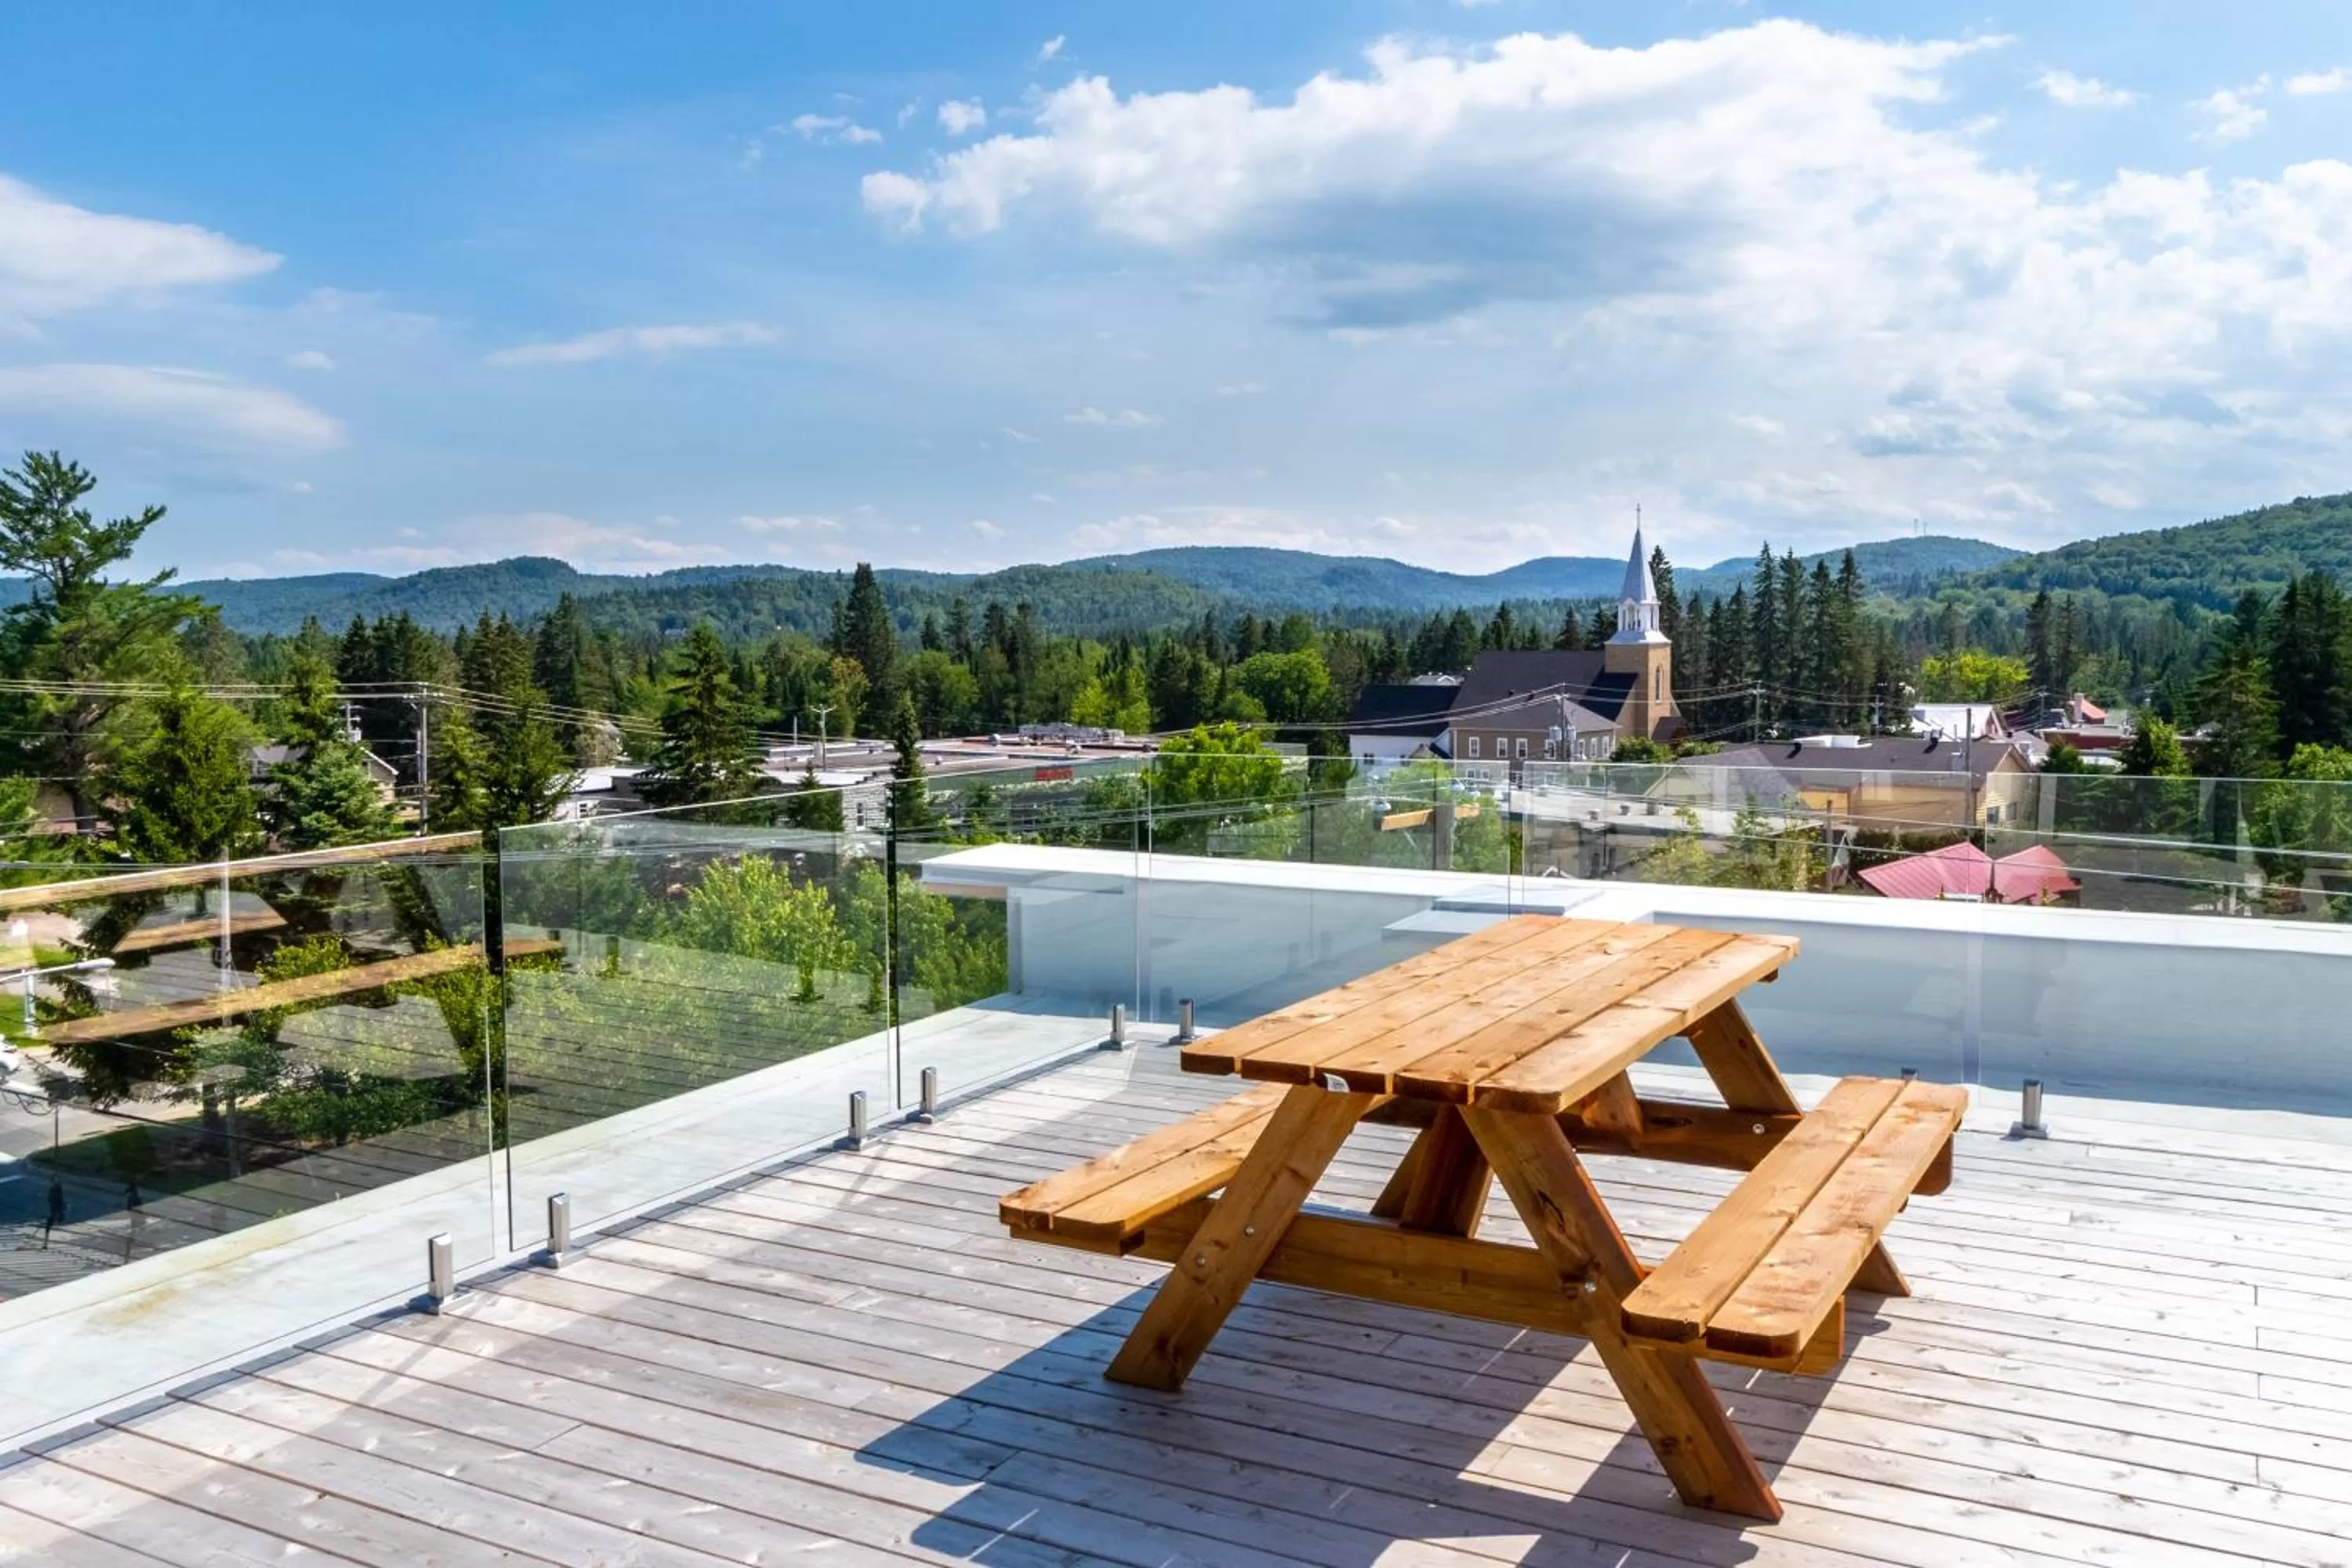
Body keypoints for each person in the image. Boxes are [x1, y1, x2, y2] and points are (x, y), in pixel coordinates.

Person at [42, 1175, 65, 1246]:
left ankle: (45, 1243)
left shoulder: (55, 1189)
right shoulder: (57, 1189)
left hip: (55, 1210)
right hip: (57, 1210)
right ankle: (45, 1243)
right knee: (49, 1224)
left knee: (49, 1225)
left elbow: (50, 1199)